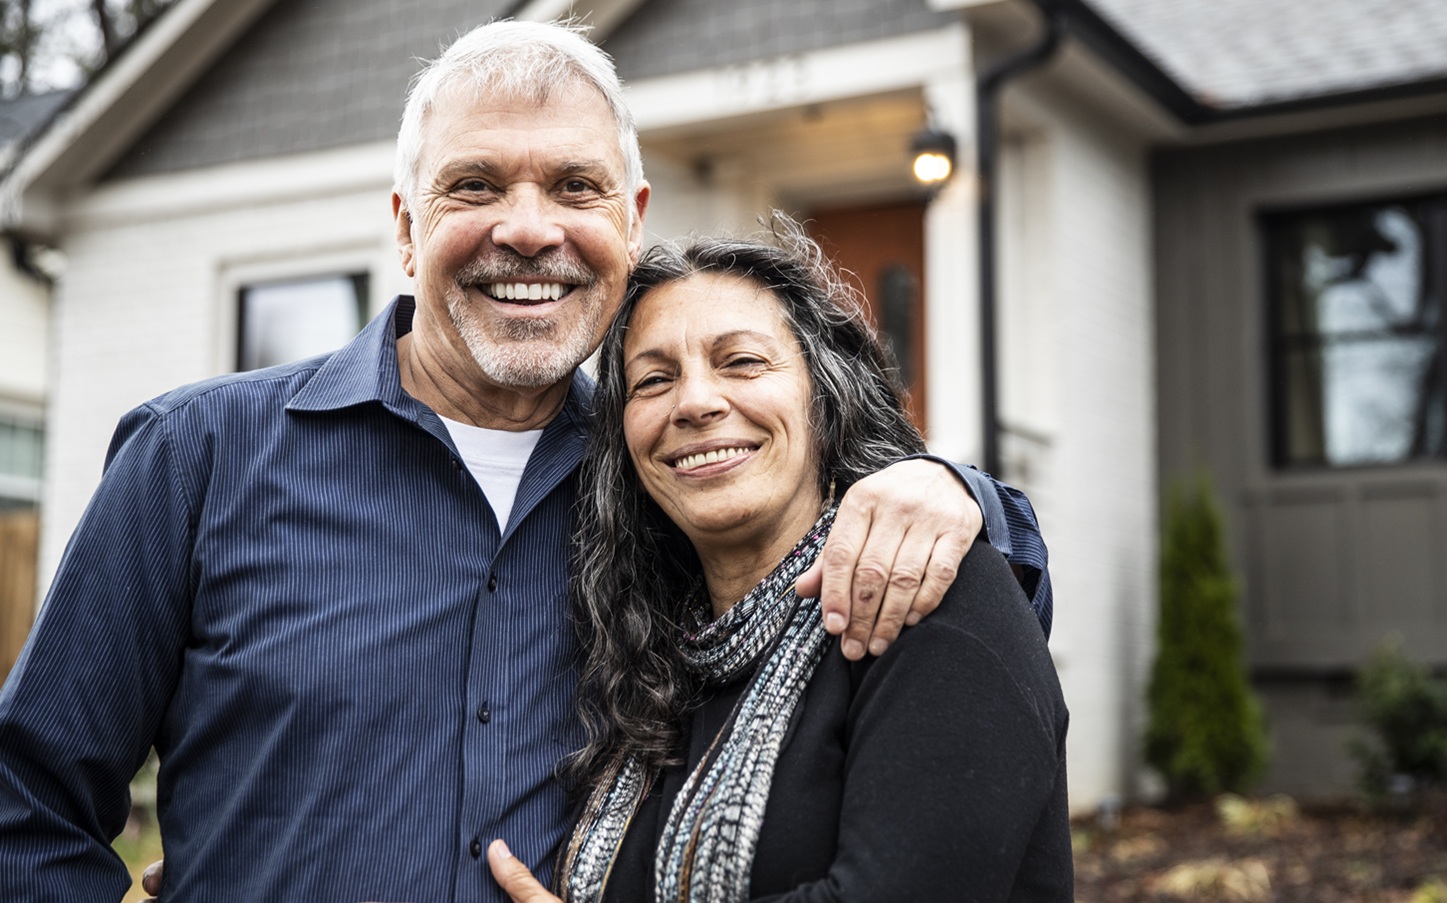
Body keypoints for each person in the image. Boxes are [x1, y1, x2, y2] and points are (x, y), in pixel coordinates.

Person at [0, 19, 1051, 903]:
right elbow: (27, 801)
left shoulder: (665, 486)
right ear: (408, 228)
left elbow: (888, 588)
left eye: (574, 187)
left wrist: (955, 492)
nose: (529, 229)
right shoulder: (197, 458)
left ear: (629, 226)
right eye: (475, 185)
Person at [484, 226, 1072, 902]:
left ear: (824, 396)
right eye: (654, 379)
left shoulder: (927, 595)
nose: (696, 402)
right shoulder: (654, 669)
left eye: (741, 362)